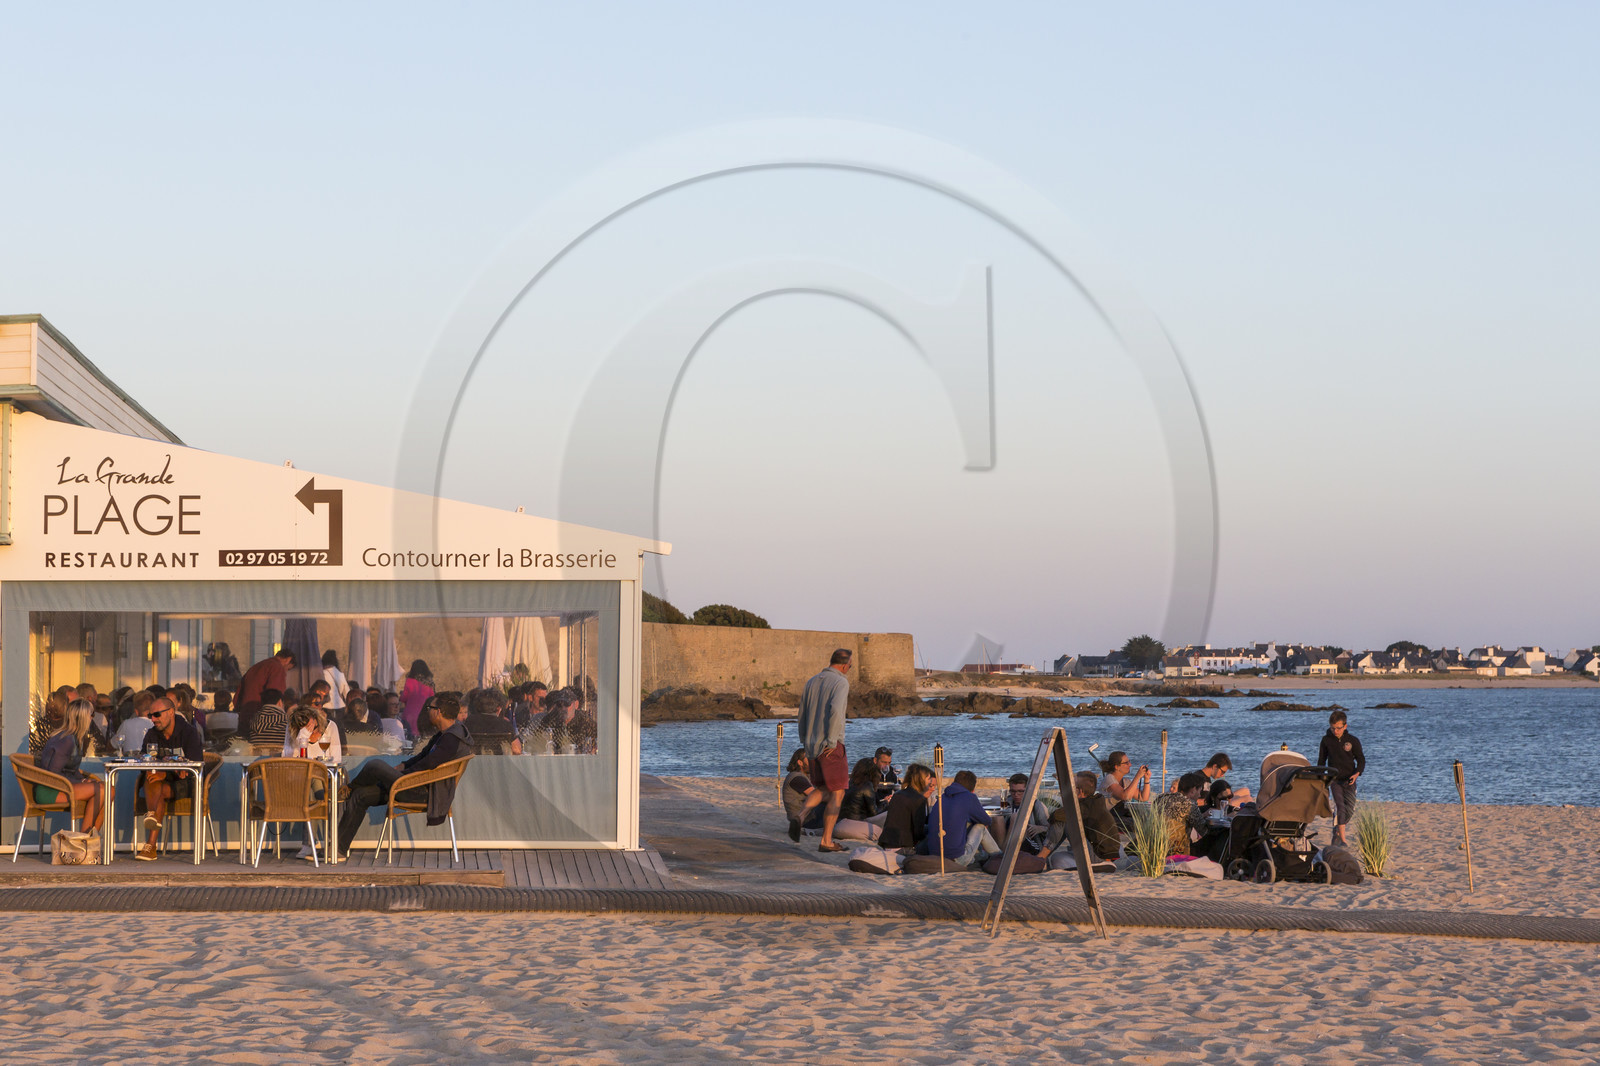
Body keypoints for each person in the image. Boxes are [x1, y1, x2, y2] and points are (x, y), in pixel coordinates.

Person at [333, 692, 471, 858]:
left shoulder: (451, 739)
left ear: (439, 711)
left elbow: (429, 764)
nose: (428, 711)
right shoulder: (445, 735)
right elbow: (422, 757)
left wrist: (403, 775)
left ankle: (346, 789)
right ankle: (338, 849)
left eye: (430, 708)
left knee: (375, 765)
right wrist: (404, 765)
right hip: (415, 784)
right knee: (361, 795)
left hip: (422, 791)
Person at [792, 649, 852, 852]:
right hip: (829, 746)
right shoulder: (840, 682)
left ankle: (800, 817)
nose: (849, 670)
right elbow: (836, 711)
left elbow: (802, 712)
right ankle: (826, 841)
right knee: (838, 793)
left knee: (822, 789)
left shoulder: (812, 681)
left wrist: (804, 740)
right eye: (850, 666)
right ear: (844, 665)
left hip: (810, 745)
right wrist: (832, 742)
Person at [136, 695, 205, 860]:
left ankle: (150, 842)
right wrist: (159, 772)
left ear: (171, 712)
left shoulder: (189, 733)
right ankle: (150, 839)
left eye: (157, 715)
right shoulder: (152, 735)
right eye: (150, 715)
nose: (153, 719)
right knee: (152, 780)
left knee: (156, 781)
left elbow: (195, 766)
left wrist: (165, 772)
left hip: (186, 784)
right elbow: (145, 761)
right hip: (159, 784)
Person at [38, 697, 111, 838]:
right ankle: (83, 839)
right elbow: (53, 774)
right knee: (101, 789)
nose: (92, 719)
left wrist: (82, 780)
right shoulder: (66, 740)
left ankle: (91, 839)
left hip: (62, 786)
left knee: (109, 790)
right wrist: (81, 782)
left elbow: (69, 770)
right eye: (92, 715)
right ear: (83, 717)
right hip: (49, 789)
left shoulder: (74, 738)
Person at [1039, 771, 1120, 871]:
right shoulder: (1094, 803)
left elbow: (1055, 815)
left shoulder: (1084, 806)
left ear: (1079, 791)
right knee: (1057, 858)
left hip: (1097, 855)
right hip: (1104, 856)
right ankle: (1094, 867)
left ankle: (1040, 857)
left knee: (1064, 820)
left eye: (1072, 786)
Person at [928, 769, 1000, 865]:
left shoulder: (942, 798)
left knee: (963, 825)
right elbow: (987, 820)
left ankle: (984, 856)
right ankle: (999, 856)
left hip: (935, 856)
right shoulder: (969, 797)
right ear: (972, 789)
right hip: (956, 859)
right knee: (980, 827)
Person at [1318, 709, 1365, 846]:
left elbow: (1361, 760)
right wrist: (1322, 779)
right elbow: (1321, 761)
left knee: (1349, 809)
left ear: (1345, 726)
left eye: (1338, 728)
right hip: (1334, 780)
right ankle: (1343, 840)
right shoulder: (1326, 740)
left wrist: (1357, 774)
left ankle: (1337, 830)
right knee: (1340, 807)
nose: (1335, 731)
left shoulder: (1353, 741)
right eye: (1333, 728)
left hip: (1350, 779)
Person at [1148, 771, 1210, 860]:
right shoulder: (1189, 804)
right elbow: (1203, 830)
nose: (1200, 795)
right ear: (1192, 791)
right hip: (1175, 853)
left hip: (1153, 847)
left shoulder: (1161, 798)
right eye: (1199, 791)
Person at [237, 647, 296, 733]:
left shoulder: (256, 666)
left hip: (244, 716)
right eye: (288, 669)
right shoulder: (277, 667)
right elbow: (275, 695)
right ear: (288, 660)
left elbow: (239, 693)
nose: (286, 671)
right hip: (262, 721)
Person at [877, 763, 933, 852]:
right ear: (921, 780)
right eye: (929, 778)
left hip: (887, 843)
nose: (930, 782)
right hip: (903, 847)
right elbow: (918, 832)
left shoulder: (898, 794)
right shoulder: (918, 799)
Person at [834, 758, 887, 842]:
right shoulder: (867, 785)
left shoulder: (849, 783)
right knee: (889, 813)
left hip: (839, 825)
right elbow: (874, 813)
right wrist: (885, 803)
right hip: (856, 825)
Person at [780, 749, 826, 836]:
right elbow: (818, 796)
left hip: (808, 817)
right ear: (800, 763)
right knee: (834, 804)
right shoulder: (797, 778)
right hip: (806, 821)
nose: (813, 762)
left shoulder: (805, 776)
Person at [400, 660, 435, 737]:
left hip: (410, 714)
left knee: (409, 737)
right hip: (424, 714)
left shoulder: (409, 681)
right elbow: (432, 697)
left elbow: (404, 698)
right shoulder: (429, 682)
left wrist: (401, 694)